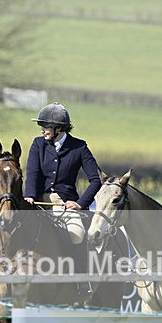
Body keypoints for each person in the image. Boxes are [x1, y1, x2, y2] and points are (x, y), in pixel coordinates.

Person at [24, 102, 101, 244]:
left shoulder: (80, 147)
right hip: (37, 202)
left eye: (45, 127)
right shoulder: (38, 144)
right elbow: (32, 173)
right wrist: (29, 195)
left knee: (77, 235)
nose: (42, 130)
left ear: (58, 128)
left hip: (64, 204)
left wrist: (80, 204)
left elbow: (96, 180)